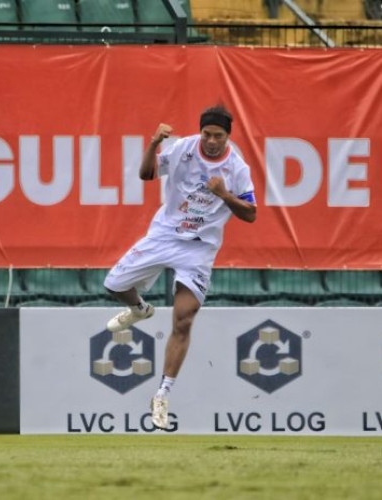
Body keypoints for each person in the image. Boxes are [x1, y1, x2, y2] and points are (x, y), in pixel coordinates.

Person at [104, 104, 257, 429]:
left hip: (199, 250)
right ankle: (140, 309)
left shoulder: (237, 167)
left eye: (218, 135)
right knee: (113, 285)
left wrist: (225, 195)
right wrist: (152, 144)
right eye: (207, 133)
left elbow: (251, 213)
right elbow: (146, 174)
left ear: (228, 136)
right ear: (200, 132)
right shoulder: (183, 148)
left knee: (183, 319)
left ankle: (162, 394)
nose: (212, 140)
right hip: (164, 234)